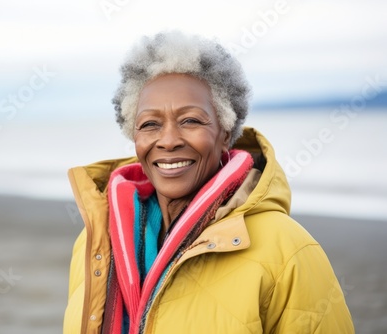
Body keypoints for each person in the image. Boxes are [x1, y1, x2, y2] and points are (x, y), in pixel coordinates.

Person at [64, 31, 354, 333]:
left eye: (190, 120)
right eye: (150, 124)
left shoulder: (288, 249)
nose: (169, 140)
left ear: (225, 132)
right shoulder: (96, 241)